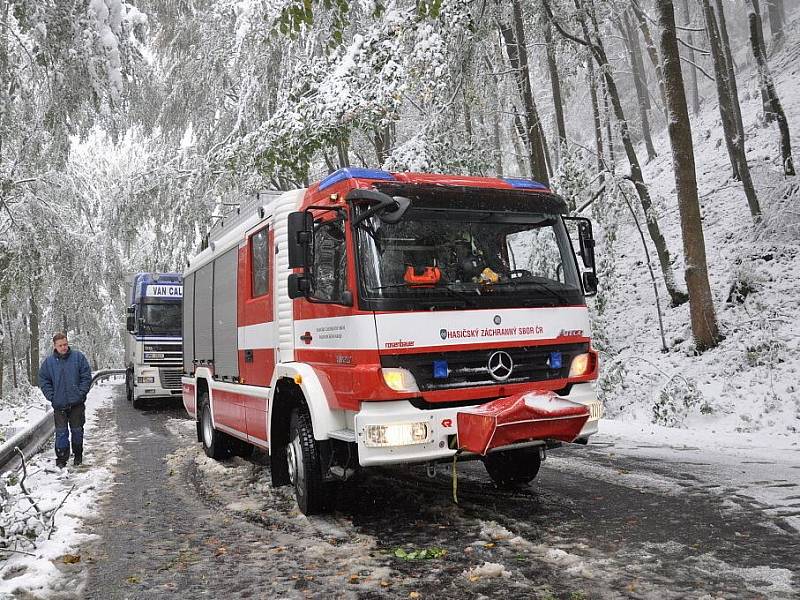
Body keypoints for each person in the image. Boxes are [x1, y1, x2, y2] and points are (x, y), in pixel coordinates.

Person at [38, 332, 92, 467]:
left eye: (65, 344)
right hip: (59, 405)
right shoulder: (49, 363)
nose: (64, 347)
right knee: (61, 433)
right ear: (55, 346)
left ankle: (78, 456)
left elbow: (86, 376)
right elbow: (44, 381)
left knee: (77, 431)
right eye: (60, 345)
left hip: (77, 404)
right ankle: (62, 460)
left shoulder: (78, 358)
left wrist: (80, 393)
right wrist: (52, 397)